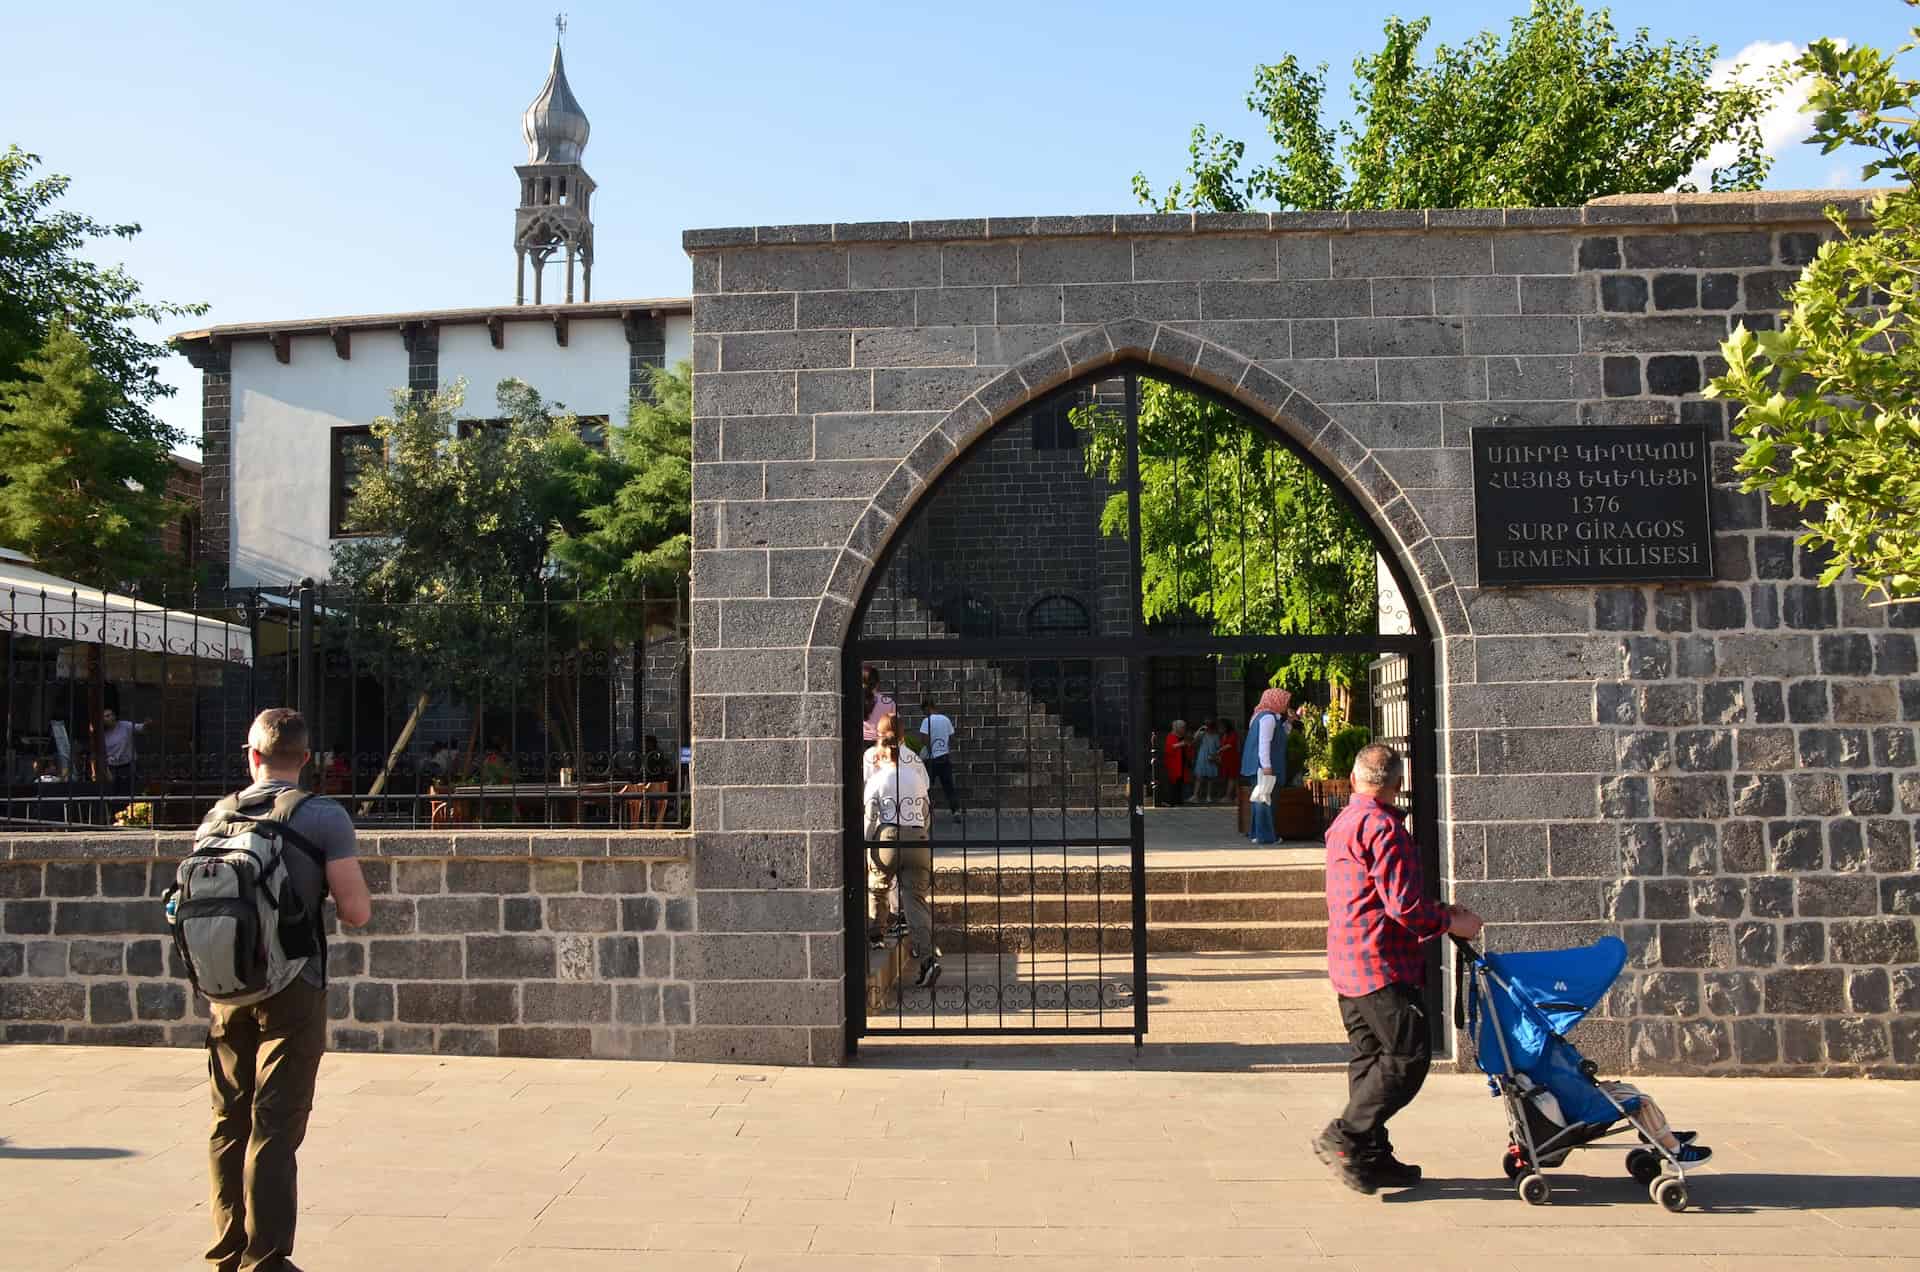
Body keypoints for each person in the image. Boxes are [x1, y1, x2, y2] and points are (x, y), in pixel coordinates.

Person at [202, 708, 371, 1270]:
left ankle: (228, 1247)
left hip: (226, 986)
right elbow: (356, 912)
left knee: (230, 1117)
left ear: (251, 756)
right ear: (305, 759)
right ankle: (266, 1257)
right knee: (275, 1123)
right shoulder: (323, 816)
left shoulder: (217, 816)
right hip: (294, 984)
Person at [1312, 743, 1483, 1195]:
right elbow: (1404, 905)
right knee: (1408, 1055)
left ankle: (1371, 1158)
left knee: (1370, 1059)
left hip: (1348, 959)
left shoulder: (1343, 823)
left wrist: (1440, 910)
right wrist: (1451, 921)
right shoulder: (1384, 828)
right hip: (1381, 962)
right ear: (1399, 784)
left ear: (1354, 780)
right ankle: (1347, 1136)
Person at [862, 713, 939, 988]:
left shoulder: (878, 778)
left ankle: (876, 934)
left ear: (882, 751)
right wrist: (922, 835)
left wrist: (867, 844)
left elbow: (870, 817)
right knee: (915, 900)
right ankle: (928, 958)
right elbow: (925, 809)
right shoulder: (916, 772)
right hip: (917, 837)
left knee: (879, 884)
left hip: (889, 837)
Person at [1242, 688, 1291, 844]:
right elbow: (1264, 743)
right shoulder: (1268, 718)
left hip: (1258, 766)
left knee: (1260, 799)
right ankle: (1266, 836)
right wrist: (1267, 767)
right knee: (1265, 801)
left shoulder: (1262, 716)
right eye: (1284, 701)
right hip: (1264, 766)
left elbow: (1279, 737)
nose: (1286, 704)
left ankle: (1257, 834)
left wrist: (1289, 722)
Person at [917, 700, 963, 822]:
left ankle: (924, 814)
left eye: (924, 711)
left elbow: (924, 739)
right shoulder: (945, 719)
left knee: (925, 787)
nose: (924, 714)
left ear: (928, 708)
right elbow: (952, 738)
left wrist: (930, 750)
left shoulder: (926, 721)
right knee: (949, 787)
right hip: (945, 758)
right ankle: (956, 812)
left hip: (931, 760)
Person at [99, 707, 147, 797]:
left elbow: (140, 728)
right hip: (112, 768)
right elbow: (102, 754)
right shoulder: (102, 734)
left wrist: (146, 725)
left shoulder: (124, 725)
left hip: (129, 765)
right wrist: (107, 771)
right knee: (115, 794)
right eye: (106, 716)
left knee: (131, 792)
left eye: (111, 715)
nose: (111, 718)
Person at [860, 664, 895, 744]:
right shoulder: (888, 702)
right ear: (877, 683)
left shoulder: (855, 701)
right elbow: (896, 725)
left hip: (858, 743)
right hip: (881, 744)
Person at [1192, 719, 1222, 803]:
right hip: (1202, 756)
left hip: (1211, 756)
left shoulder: (1216, 736)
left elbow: (1218, 747)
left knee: (1210, 778)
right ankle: (1195, 795)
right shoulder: (1202, 734)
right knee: (1199, 776)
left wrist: (1216, 756)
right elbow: (1194, 740)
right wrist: (1200, 729)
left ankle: (1208, 796)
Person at [1161, 720, 1189, 806]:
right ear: (1177, 728)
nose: (1184, 729)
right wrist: (1182, 744)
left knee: (1179, 783)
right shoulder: (1171, 736)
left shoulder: (1182, 737)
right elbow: (1169, 748)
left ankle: (1178, 801)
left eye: (1184, 727)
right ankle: (1171, 801)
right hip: (1173, 764)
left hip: (1181, 764)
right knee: (1173, 783)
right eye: (1182, 727)